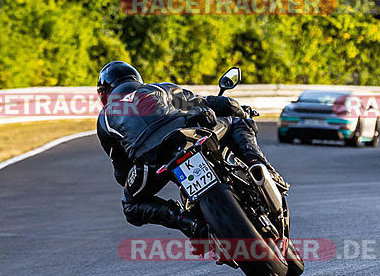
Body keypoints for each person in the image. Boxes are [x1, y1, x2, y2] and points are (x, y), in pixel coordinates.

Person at [96, 61, 288, 239]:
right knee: (239, 122)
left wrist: (134, 170)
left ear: (104, 93)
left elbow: (121, 171)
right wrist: (240, 109)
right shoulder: (158, 89)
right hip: (188, 135)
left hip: (151, 159)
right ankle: (259, 166)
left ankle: (190, 223)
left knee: (131, 205)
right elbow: (204, 103)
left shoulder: (105, 118)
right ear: (136, 79)